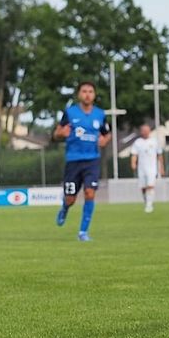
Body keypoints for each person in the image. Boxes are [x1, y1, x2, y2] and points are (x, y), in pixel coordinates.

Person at [53, 81, 111, 241]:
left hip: (92, 160)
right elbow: (56, 133)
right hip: (73, 160)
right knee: (71, 198)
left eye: (90, 91)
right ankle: (65, 208)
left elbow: (107, 133)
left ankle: (83, 232)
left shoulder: (100, 114)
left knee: (89, 193)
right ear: (79, 94)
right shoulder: (70, 112)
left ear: (94, 95)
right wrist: (61, 133)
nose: (87, 94)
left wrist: (105, 141)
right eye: (84, 91)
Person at [130, 124, 163, 213]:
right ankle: (147, 201)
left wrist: (161, 167)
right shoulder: (138, 142)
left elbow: (159, 155)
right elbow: (134, 154)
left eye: (146, 130)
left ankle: (149, 205)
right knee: (143, 188)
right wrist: (133, 163)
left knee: (150, 186)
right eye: (143, 130)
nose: (145, 132)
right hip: (141, 168)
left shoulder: (155, 141)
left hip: (152, 168)